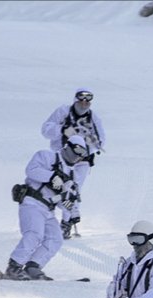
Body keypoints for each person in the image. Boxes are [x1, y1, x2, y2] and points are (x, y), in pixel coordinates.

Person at [0, 136, 88, 281]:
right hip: (32, 203)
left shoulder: (71, 174)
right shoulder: (47, 156)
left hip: (48, 209)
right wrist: (52, 176)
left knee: (55, 239)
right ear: (68, 146)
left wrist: (68, 206)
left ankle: (33, 267)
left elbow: (63, 199)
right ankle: (13, 267)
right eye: (77, 150)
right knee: (34, 234)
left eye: (82, 153)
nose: (77, 155)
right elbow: (31, 170)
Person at [41, 87, 106, 239]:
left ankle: (66, 222)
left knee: (73, 189)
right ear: (75, 99)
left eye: (88, 100)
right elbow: (45, 130)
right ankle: (46, 220)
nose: (84, 103)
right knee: (56, 188)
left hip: (82, 161)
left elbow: (101, 142)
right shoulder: (63, 112)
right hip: (61, 159)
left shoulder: (94, 118)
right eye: (81, 99)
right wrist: (63, 130)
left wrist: (91, 142)